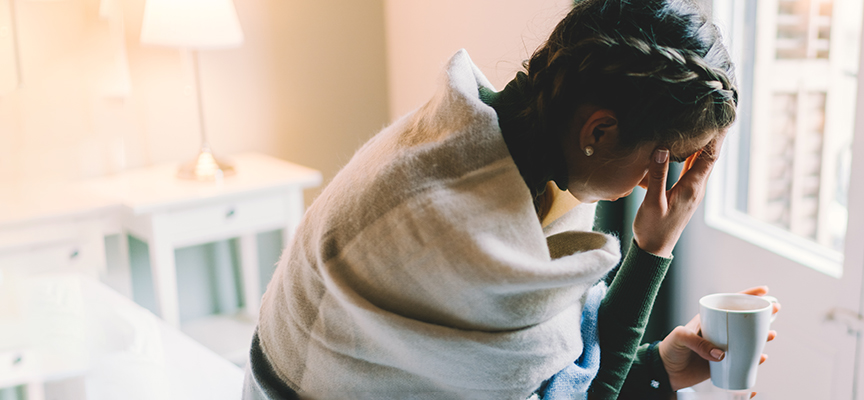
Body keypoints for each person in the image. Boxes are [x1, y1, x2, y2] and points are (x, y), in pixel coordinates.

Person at [243, 0, 777, 398]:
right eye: (663, 161)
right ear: (600, 131)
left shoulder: (479, 137)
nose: (650, 187)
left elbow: (559, 372)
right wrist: (655, 248)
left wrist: (657, 366)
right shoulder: (468, 235)